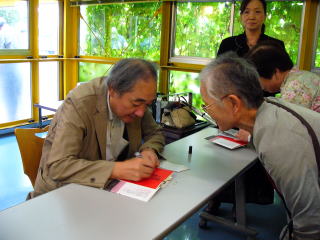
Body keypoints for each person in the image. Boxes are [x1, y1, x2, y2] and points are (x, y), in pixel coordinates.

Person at [200, 52, 320, 240]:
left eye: (208, 105)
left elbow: (311, 224)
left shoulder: (279, 143)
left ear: (233, 103)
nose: (207, 111)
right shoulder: (271, 108)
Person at [31, 58, 165, 197]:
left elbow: (155, 133)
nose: (141, 112)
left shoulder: (138, 102)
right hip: (61, 194)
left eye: (147, 104)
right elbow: (59, 167)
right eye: (136, 103)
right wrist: (115, 170)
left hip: (107, 190)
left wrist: (149, 149)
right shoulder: (79, 103)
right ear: (112, 90)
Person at [246, 40, 320, 113]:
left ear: (275, 72)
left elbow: (289, 123)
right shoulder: (301, 76)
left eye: (259, 80)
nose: (261, 87)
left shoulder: (294, 88)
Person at [217, 0, 284, 58]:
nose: (251, 17)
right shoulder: (227, 44)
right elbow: (217, 71)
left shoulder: (276, 46)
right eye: (247, 12)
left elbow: (284, 72)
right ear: (241, 17)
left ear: (264, 16)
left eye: (257, 12)